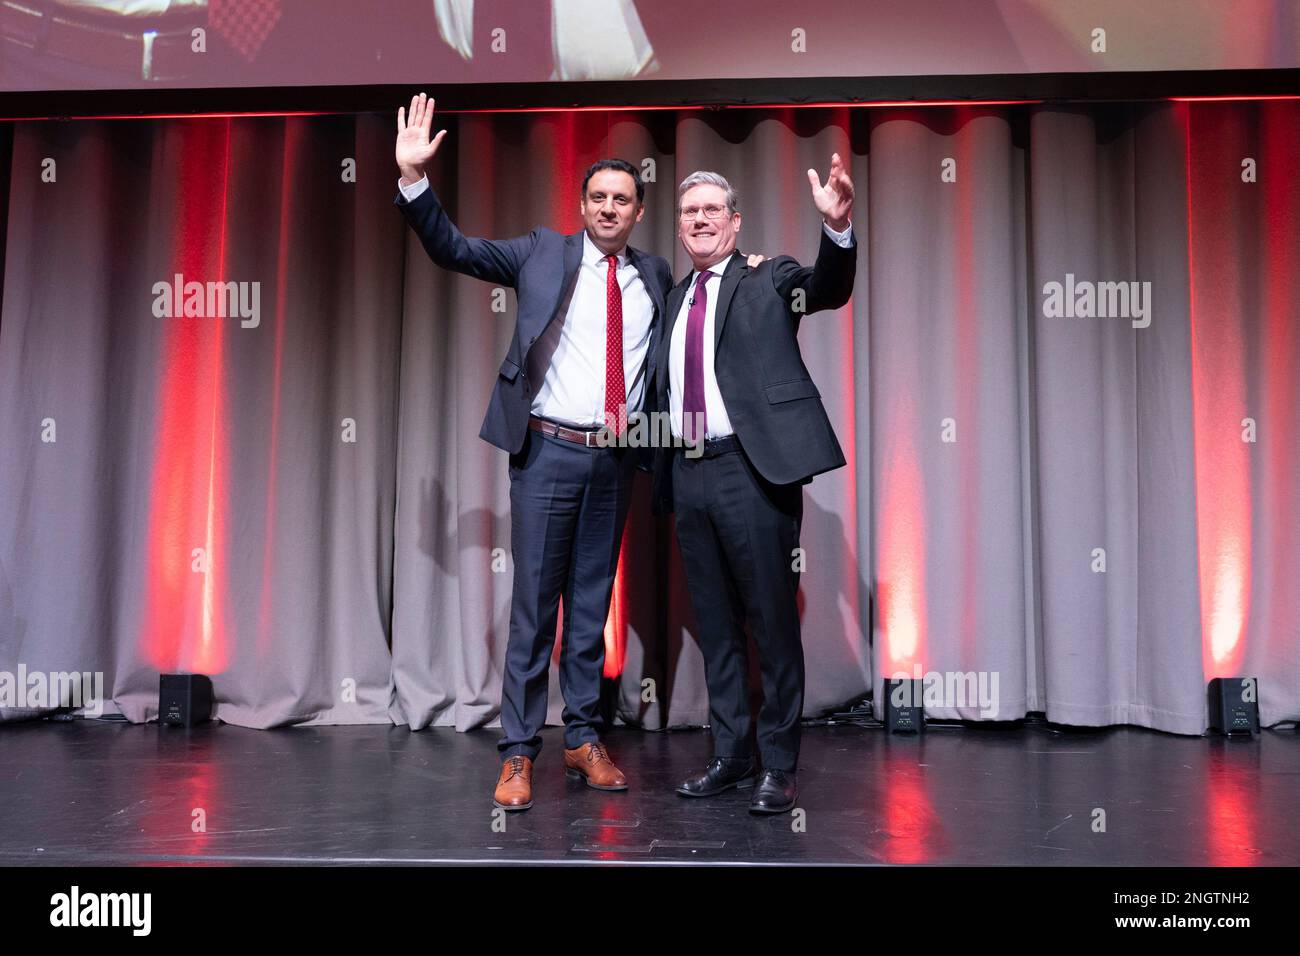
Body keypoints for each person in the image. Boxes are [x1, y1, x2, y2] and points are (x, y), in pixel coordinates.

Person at [393, 93, 672, 811]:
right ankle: (518, 752)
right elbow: (454, 249)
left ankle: (583, 739)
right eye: (599, 197)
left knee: (590, 610)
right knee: (532, 610)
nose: (610, 208)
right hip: (546, 452)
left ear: (638, 211)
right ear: (581, 204)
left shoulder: (655, 276)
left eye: (623, 199)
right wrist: (416, 182)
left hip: (614, 460)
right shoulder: (541, 252)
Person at [652, 158, 856, 813]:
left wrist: (837, 225)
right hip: (687, 474)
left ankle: (779, 764)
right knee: (716, 627)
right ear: (679, 227)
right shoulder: (673, 299)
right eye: (691, 212)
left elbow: (827, 287)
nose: (702, 219)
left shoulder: (771, 278)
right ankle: (732, 756)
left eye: (714, 209)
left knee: (770, 623)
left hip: (751, 469)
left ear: (735, 223)